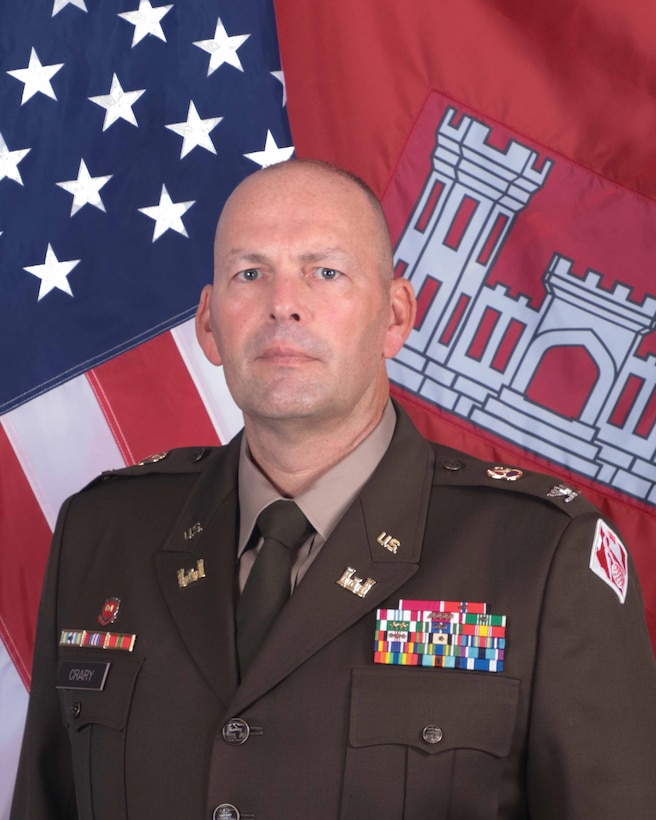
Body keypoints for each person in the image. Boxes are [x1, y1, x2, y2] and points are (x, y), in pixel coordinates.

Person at [11, 159, 656, 820]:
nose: (282, 302)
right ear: (209, 325)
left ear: (396, 316)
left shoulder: (541, 555)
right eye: (250, 273)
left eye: (326, 271)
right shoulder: (104, 531)